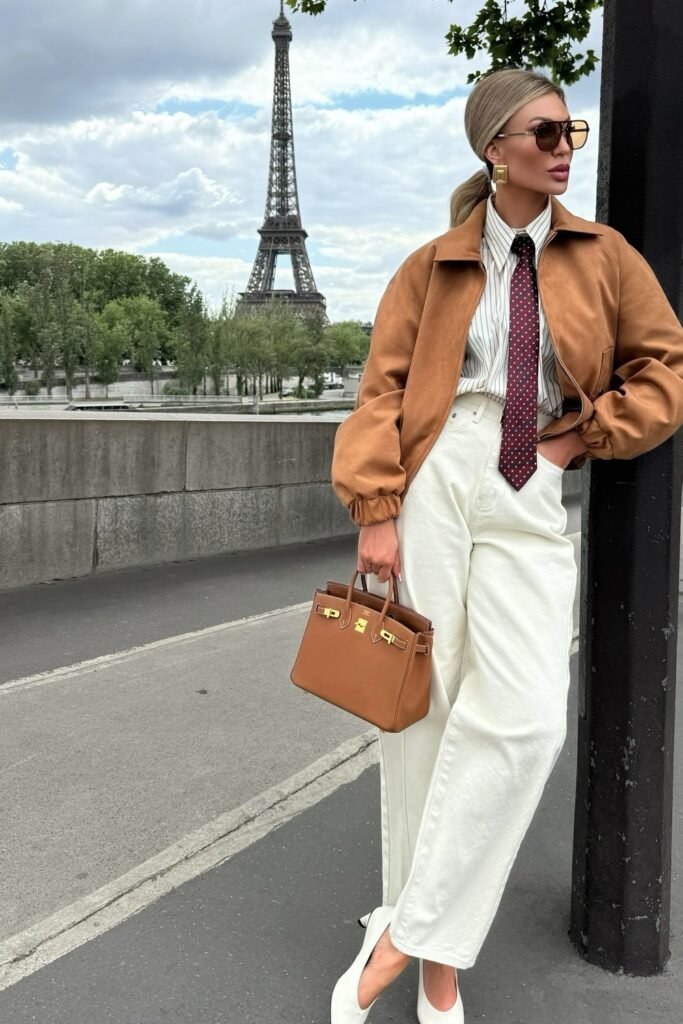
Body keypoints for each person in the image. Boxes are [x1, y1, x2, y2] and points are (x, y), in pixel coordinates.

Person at [327, 66, 683, 1024]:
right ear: (494, 148)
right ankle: (437, 966)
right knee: (425, 710)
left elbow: (664, 366)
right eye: (544, 133)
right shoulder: (430, 265)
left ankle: (405, 934)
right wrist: (375, 507)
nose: (565, 148)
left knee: (525, 721)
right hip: (438, 469)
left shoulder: (604, 256)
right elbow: (381, 390)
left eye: (571, 131)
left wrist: (579, 437)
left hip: (533, 473)